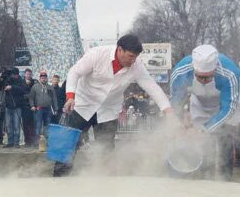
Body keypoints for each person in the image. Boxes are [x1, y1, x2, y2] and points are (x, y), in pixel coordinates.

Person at [57, 34, 171, 176]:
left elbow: (151, 86)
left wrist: (167, 109)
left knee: (106, 150)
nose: (133, 60)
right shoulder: (97, 54)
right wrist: (70, 97)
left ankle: (105, 183)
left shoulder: (136, 66)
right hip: (82, 105)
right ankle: (60, 179)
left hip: (108, 110)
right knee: (68, 144)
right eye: (130, 56)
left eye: (135, 57)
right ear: (120, 50)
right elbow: (74, 72)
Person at [169, 44, 240, 179]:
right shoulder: (180, 71)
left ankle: (225, 176)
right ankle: (206, 173)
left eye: (207, 77)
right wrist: (180, 125)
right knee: (202, 140)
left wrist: (203, 130)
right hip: (200, 100)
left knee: (225, 136)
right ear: (194, 68)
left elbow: (228, 110)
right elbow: (176, 102)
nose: (203, 81)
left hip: (229, 101)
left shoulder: (230, 74)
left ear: (215, 69)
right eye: (199, 77)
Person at [0, 68, 28, 148]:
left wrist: (12, 87)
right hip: (8, 105)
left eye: (14, 74)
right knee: (8, 125)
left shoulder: (20, 80)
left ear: (17, 74)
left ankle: (16, 142)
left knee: (16, 125)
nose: (12, 76)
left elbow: (23, 90)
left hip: (17, 106)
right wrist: (1, 79)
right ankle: (10, 142)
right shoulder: (7, 79)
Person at [29, 70, 57, 151]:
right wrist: (32, 106)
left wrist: (56, 108)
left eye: (45, 78)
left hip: (48, 109)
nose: (43, 79)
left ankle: (47, 143)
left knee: (47, 126)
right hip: (38, 109)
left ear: (47, 78)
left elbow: (54, 98)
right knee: (38, 126)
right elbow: (31, 97)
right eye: (42, 78)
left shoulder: (50, 87)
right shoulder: (35, 87)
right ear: (40, 78)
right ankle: (37, 143)